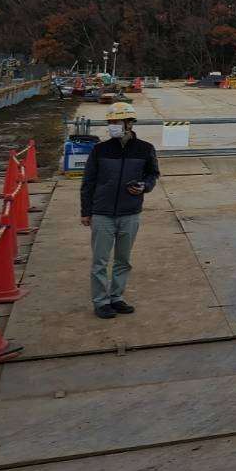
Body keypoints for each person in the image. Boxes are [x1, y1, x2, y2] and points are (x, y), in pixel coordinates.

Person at [81, 101, 159, 319]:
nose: (112, 125)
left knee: (123, 260)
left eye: (116, 121)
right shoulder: (100, 150)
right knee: (100, 262)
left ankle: (116, 297)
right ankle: (101, 301)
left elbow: (153, 174)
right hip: (102, 214)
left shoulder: (145, 149)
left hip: (130, 214)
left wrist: (145, 186)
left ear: (129, 123)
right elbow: (88, 182)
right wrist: (85, 211)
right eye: (110, 122)